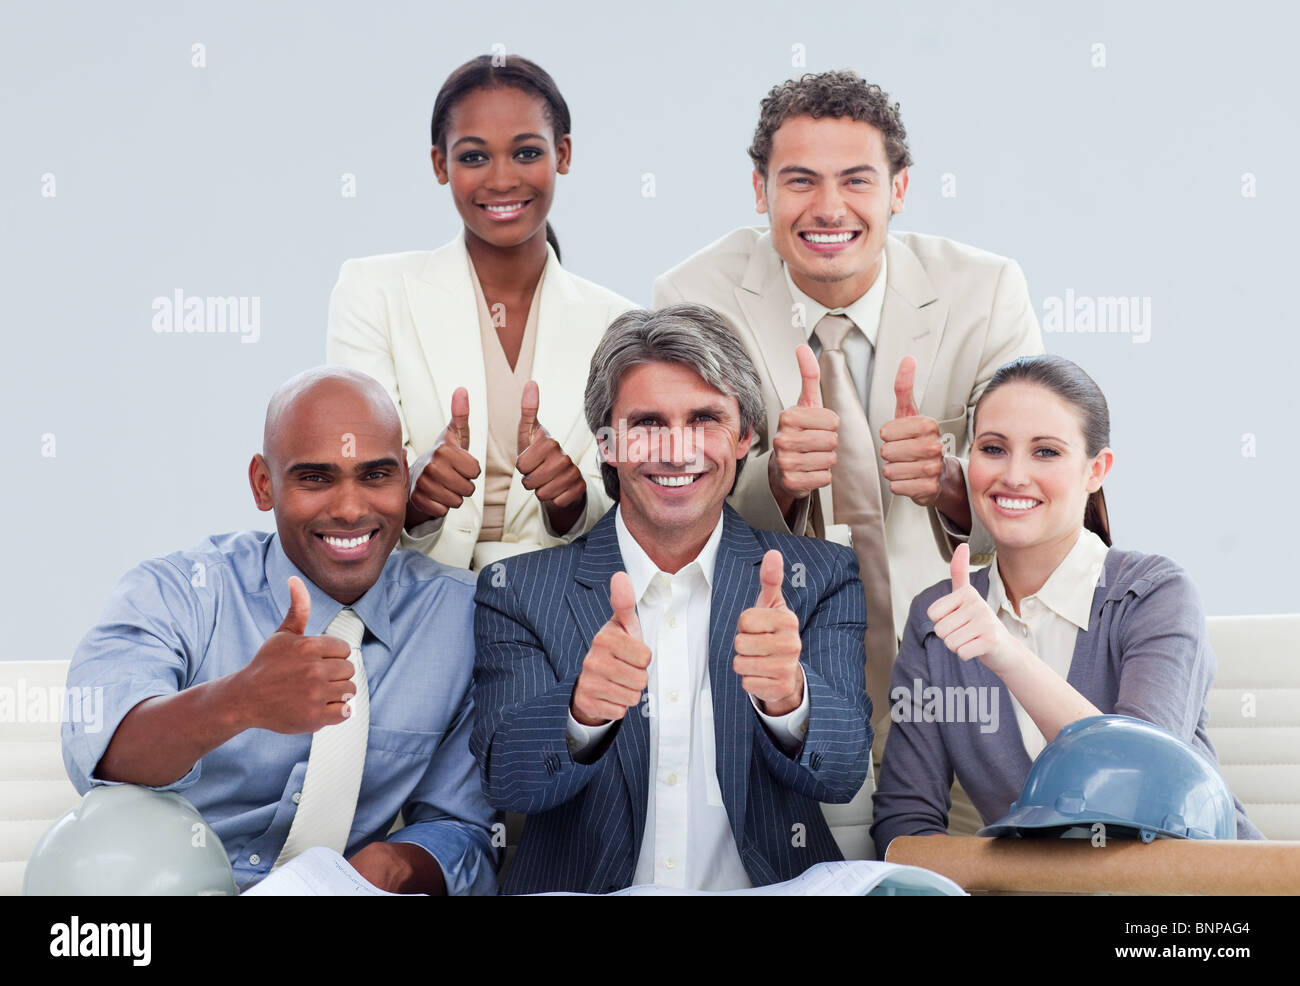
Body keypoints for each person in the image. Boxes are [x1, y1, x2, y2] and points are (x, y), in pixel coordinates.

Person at [653, 70, 1044, 763]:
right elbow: (666, 500)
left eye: (857, 181)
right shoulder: (694, 299)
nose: (829, 209)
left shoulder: (985, 293)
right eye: (800, 181)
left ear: (900, 188)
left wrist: (954, 483)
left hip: (958, 664)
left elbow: (1048, 496)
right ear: (759, 190)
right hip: (776, 671)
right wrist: (774, 483)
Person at [471, 304, 872, 894]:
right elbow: (507, 782)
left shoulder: (821, 577)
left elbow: (840, 775)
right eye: (648, 423)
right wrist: (580, 712)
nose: (677, 449)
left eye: (706, 419)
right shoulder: (518, 591)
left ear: (745, 437)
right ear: (607, 443)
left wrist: (791, 699)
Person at [62, 367, 499, 894]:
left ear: (405, 477)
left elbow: (461, 827)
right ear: (263, 484)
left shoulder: (459, 617)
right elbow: (101, 751)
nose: (350, 509)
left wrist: (393, 866)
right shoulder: (182, 591)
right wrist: (240, 701)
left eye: (375, 476)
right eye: (315, 478)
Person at [870, 355, 1263, 852]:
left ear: (1096, 470)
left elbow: (1141, 784)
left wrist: (1005, 655)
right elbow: (904, 828)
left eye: (1046, 452)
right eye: (993, 449)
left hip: (1196, 903)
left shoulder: (1155, 593)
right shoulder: (939, 620)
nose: (1013, 475)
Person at [328, 53, 634, 572]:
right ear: (439, 164)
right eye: (473, 157)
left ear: (562, 153)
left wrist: (574, 506)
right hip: (414, 595)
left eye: (526, 152)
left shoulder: (619, 324)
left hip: (560, 608)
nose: (501, 179)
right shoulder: (373, 292)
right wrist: (415, 501)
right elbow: (353, 473)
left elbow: (635, 501)